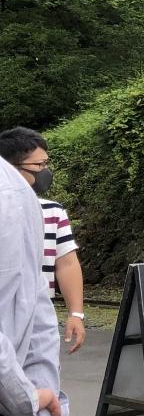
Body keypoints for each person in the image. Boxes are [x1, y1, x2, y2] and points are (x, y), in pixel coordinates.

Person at [1, 157, 75, 416]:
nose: (46, 170)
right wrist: (29, 402)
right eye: (39, 163)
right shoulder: (12, 192)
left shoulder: (18, 196)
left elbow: (33, 302)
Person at [0, 128, 87, 353]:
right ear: (9, 169)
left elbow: (67, 264)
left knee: (42, 373)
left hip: (38, 320)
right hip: (4, 318)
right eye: (39, 165)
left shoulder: (53, 211)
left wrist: (76, 313)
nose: (45, 171)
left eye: (46, 163)